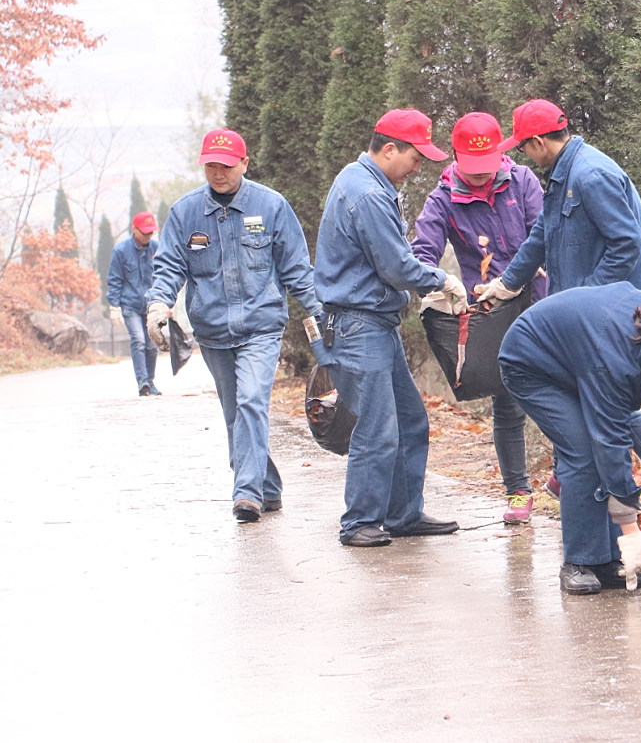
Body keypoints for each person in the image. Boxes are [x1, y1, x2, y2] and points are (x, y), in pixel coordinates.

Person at [476, 99, 641, 496]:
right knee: (595, 398)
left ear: (539, 141)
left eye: (523, 146)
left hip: (613, 315)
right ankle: (580, 479)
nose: (523, 154)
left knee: (615, 404)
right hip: (589, 315)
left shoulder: (591, 175)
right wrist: (507, 283)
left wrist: (587, 301)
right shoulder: (564, 177)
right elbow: (541, 235)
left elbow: (625, 245)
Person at [498, 282, 641, 595]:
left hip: (581, 364)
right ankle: (579, 561)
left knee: (603, 442)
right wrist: (631, 533)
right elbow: (610, 442)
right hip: (532, 363)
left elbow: (622, 405)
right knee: (584, 453)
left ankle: (605, 559)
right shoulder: (615, 358)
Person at [145, 128, 322, 523]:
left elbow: (297, 269)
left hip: (261, 326)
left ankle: (246, 494)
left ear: (244, 163)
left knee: (251, 402)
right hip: (213, 332)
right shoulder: (185, 212)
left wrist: (319, 316)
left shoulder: (272, 206)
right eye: (211, 165)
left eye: (226, 166)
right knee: (234, 414)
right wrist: (158, 304)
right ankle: (268, 486)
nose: (218, 173)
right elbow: (170, 265)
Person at [315, 108, 470, 548]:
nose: (418, 167)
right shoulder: (365, 194)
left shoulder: (365, 182)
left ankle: (403, 514)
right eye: (415, 157)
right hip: (357, 325)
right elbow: (396, 266)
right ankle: (359, 521)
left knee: (409, 419)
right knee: (377, 428)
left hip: (374, 323)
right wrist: (442, 279)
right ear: (388, 149)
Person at [412, 111, 548, 524]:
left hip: (542, 299)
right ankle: (518, 491)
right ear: (454, 158)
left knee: (564, 387)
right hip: (492, 310)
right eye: (471, 171)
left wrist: (519, 276)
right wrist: (436, 285)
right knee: (507, 401)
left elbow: (543, 232)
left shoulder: (523, 181)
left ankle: (566, 474)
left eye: (485, 169)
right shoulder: (443, 199)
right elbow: (422, 252)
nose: (479, 178)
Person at [108, 211, 161, 396]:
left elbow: (163, 276)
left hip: (151, 305)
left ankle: (151, 380)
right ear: (134, 229)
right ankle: (142, 381)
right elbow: (114, 280)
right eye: (144, 232)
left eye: (150, 232)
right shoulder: (120, 251)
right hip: (129, 304)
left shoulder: (157, 249)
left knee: (152, 344)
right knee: (138, 340)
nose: (148, 236)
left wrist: (166, 303)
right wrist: (114, 306)